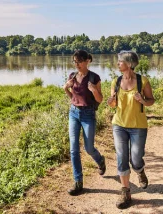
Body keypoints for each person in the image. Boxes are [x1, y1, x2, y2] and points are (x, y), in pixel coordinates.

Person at [106, 50, 155, 209]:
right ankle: (125, 192)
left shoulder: (142, 81)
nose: (118, 64)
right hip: (119, 124)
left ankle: (139, 170)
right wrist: (111, 102)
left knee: (135, 158)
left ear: (128, 63)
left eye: (120, 61)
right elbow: (113, 105)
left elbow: (151, 101)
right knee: (121, 156)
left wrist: (142, 99)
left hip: (138, 126)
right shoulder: (116, 81)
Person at [63, 50, 106, 196]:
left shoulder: (94, 77)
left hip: (88, 115)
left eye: (79, 61)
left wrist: (94, 90)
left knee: (89, 148)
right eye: (74, 61)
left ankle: (100, 160)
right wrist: (65, 89)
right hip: (73, 113)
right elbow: (73, 98)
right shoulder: (72, 76)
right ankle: (78, 182)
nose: (76, 64)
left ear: (87, 61)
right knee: (74, 149)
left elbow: (100, 99)